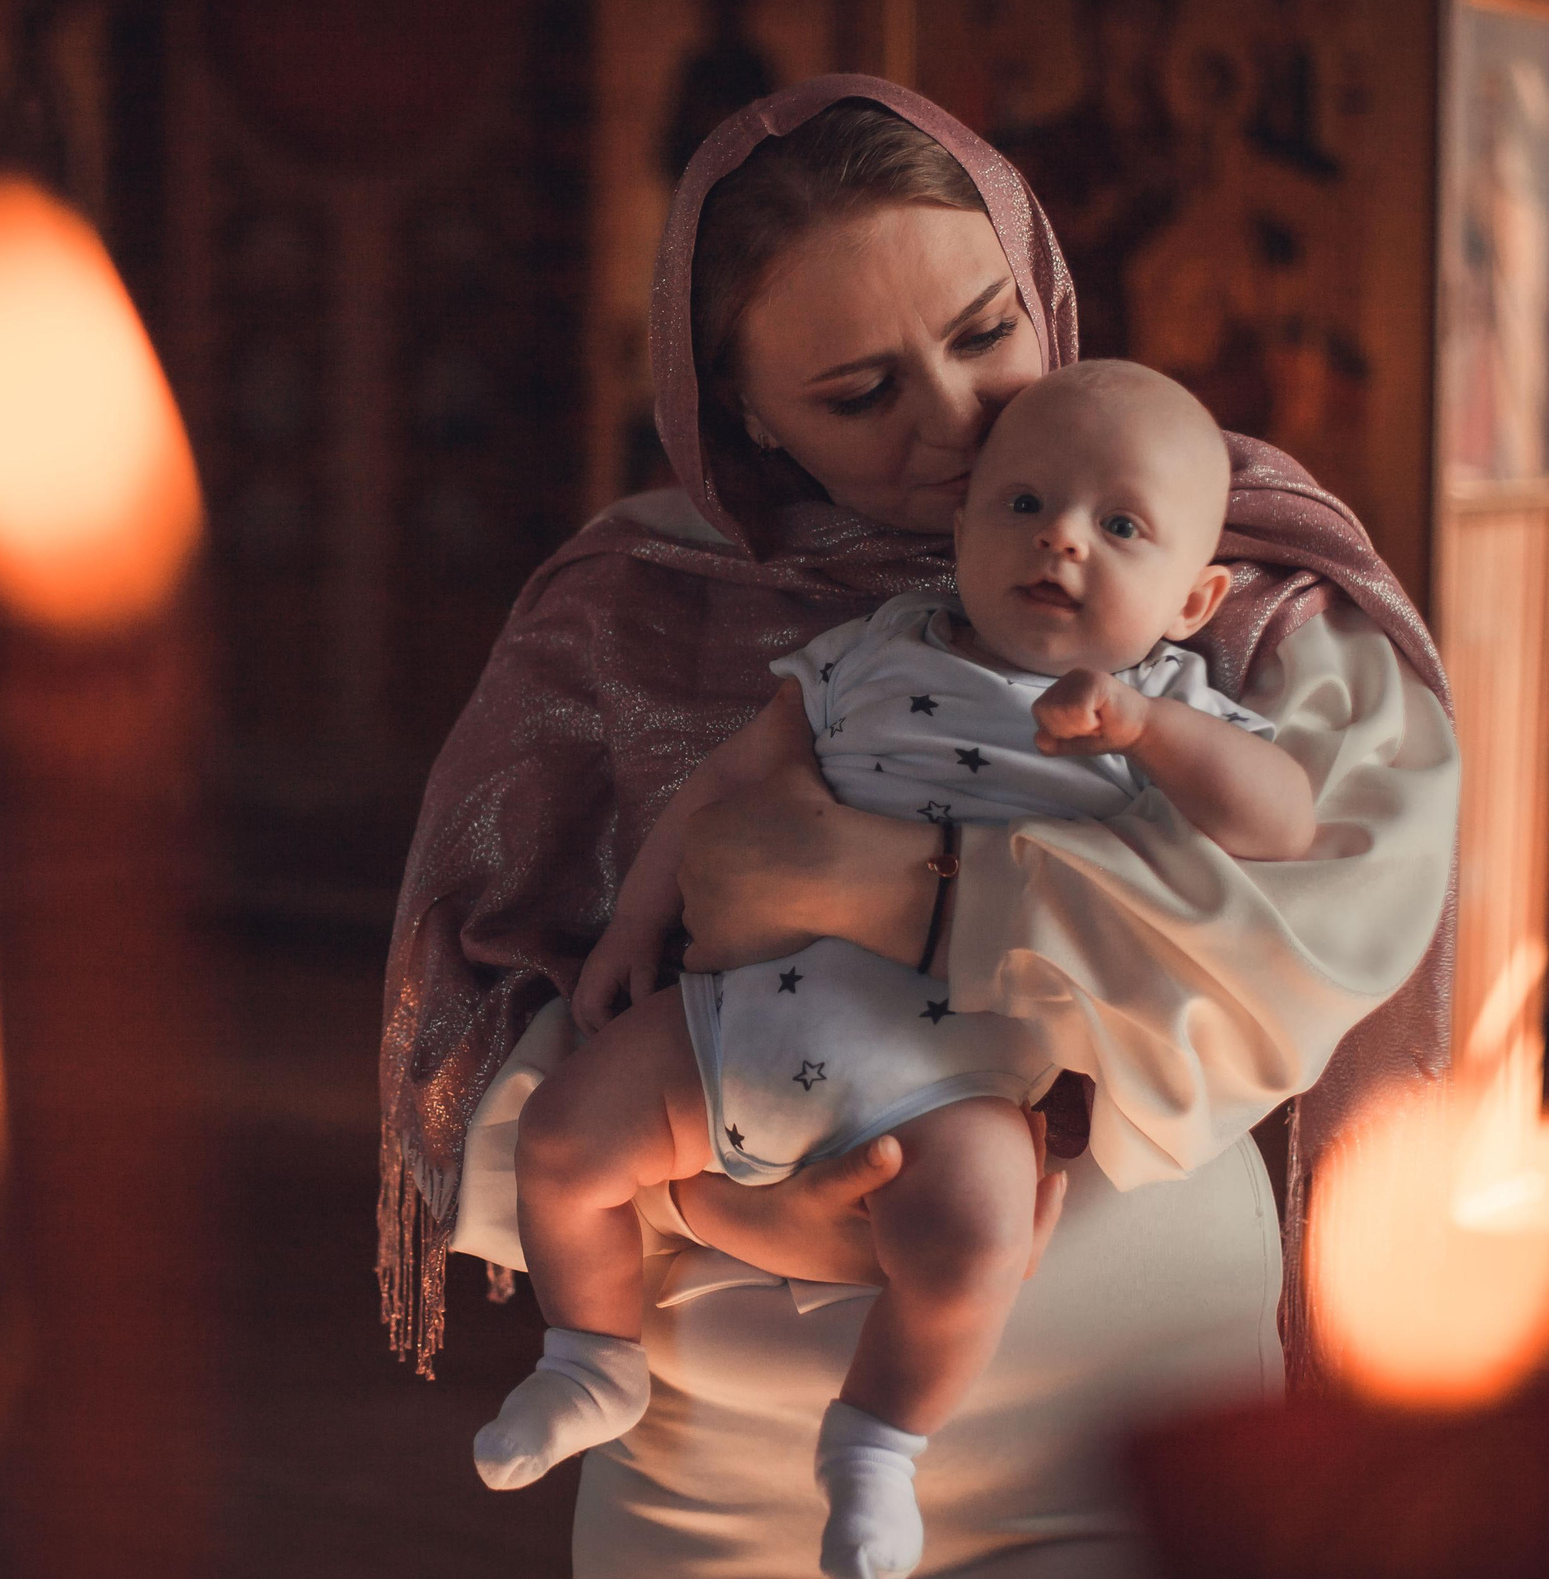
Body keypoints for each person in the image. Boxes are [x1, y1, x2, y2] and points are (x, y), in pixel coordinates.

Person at [379, 75, 1458, 1576]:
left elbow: (1327, 922)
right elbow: (482, 1003)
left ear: (1041, 280)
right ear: (742, 411)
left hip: (1129, 1417)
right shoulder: (625, 609)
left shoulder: (1247, 569)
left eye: (984, 334)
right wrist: (721, 1199)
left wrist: (924, 886)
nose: (960, 426)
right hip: (718, 1455)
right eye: (861, 393)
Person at [477, 362, 1320, 1579]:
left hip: (951, 1066)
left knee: (976, 1239)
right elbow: (711, 792)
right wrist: (625, 934)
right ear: (964, 529)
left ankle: (873, 1448)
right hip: (744, 1020)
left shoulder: (1161, 702)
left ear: (1194, 597)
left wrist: (1152, 733)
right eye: (1023, 504)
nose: (1062, 542)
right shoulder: (864, 653)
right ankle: (591, 1361)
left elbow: (1280, 821)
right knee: (560, 1138)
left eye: (1119, 525)